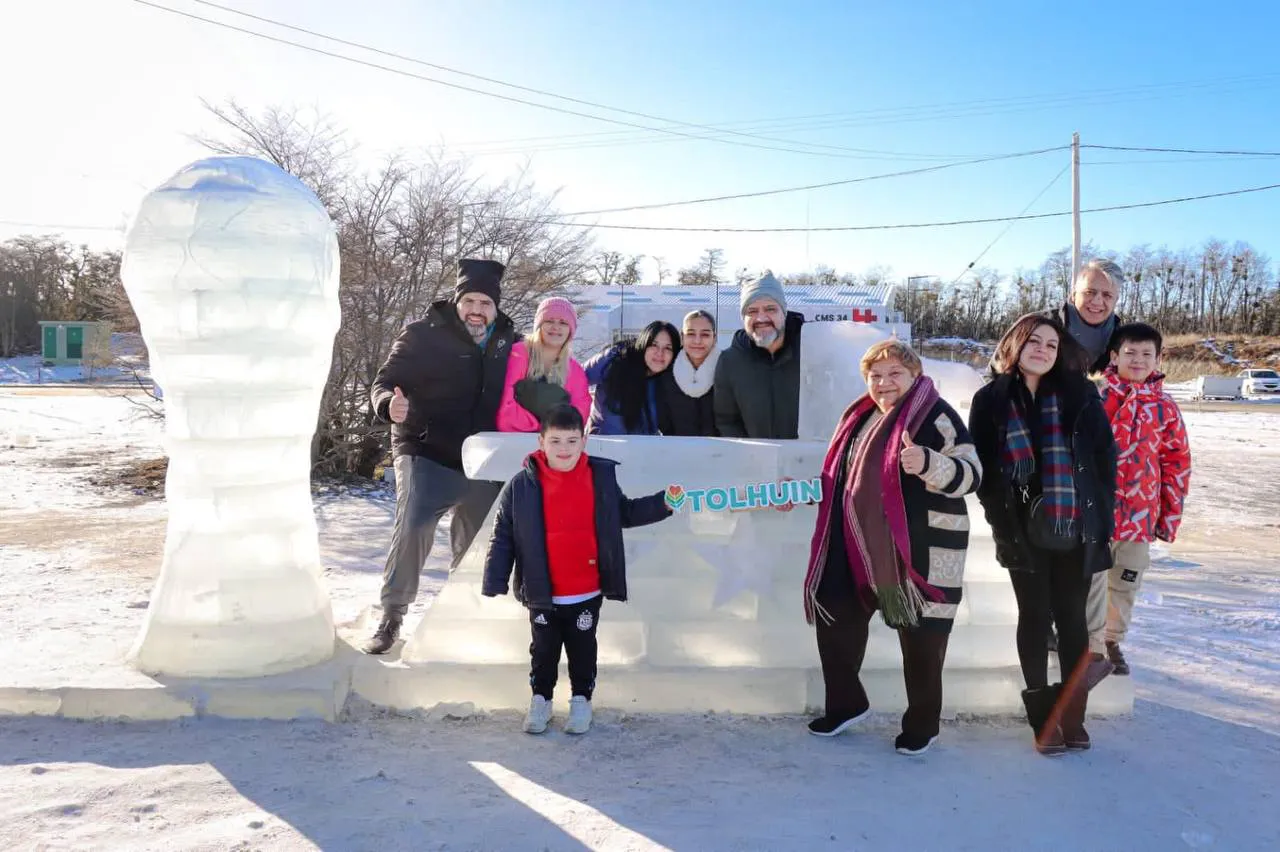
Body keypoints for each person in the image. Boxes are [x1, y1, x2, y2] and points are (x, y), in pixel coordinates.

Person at [802, 340, 981, 755]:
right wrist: (799, 493)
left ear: (914, 375)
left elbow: (972, 474)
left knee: (922, 639)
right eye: (875, 376)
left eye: (894, 374)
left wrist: (930, 463)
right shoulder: (858, 418)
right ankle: (846, 703)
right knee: (834, 611)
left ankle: (923, 723)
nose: (883, 384)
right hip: (856, 543)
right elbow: (841, 480)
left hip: (921, 550)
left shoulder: (936, 415)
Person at [969, 314, 1117, 755]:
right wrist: (1002, 526)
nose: (1042, 350)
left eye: (1052, 345)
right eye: (1033, 341)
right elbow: (987, 473)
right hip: (1021, 530)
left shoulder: (1081, 395)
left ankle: (1072, 716)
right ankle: (1043, 718)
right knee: (1034, 616)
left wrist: (1100, 519)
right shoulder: (991, 399)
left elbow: (1104, 462)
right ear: (1015, 345)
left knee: (1073, 620)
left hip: (1074, 525)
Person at [481, 404, 674, 734]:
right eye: (555, 441)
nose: (564, 450)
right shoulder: (522, 485)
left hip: (585, 589)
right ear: (541, 441)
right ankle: (540, 700)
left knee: (583, 650)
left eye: (571, 441)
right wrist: (495, 577)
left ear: (583, 441)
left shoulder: (598, 477)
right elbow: (504, 534)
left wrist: (664, 502)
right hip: (542, 591)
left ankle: (581, 701)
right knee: (543, 651)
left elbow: (623, 513)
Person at [364, 258, 517, 655]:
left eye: (486, 302)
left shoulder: (509, 342)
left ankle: (463, 617)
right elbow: (386, 381)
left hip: (483, 457)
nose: (477, 310)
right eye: (470, 300)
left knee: (479, 544)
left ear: (496, 306)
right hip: (426, 449)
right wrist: (387, 405)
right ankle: (392, 615)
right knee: (414, 526)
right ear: (457, 299)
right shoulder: (423, 334)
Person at [1089, 322, 1192, 676]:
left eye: (1146, 354)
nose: (1138, 360)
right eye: (1130, 353)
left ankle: (1111, 640)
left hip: (1139, 516)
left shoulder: (1165, 407)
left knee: (1125, 583)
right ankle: (1086, 643)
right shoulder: (1096, 400)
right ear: (1114, 356)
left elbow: (1176, 462)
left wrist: (1168, 517)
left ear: (1158, 359)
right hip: (1096, 516)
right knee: (1091, 582)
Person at [713, 270, 805, 439]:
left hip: (809, 461)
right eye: (752, 311)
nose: (761, 318)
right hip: (754, 461)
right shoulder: (730, 362)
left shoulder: (811, 352)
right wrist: (750, 455)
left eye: (770, 309)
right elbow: (727, 420)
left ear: (783, 312)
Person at [496, 296, 591, 432]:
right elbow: (504, 404)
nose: (556, 327)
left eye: (563, 323)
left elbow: (580, 413)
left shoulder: (575, 370)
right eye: (549, 320)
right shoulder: (518, 354)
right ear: (539, 325)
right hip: (513, 440)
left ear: (571, 330)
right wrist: (541, 428)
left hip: (555, 446)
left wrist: (554, 435)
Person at [583, 321, 679, 435]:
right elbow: (574, 379)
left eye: (668, 348)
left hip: (642, 449)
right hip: (603, 447)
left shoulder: (670, 379)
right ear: (644, 343)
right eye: (654, 345)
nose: (660, 353)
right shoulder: (616, 358)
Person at [657, 309, 720, 436]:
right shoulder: (666, 371)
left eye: (705, 334)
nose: (697, 341)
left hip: (722, 451)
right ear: (682, 337)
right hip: (677, 450)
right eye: (691, 334)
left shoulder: (727, 369)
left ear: (714, 338)